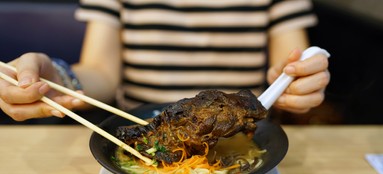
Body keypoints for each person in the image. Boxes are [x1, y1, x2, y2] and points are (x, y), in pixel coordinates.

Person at [0, 0, 330, 122]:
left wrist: (292, 81)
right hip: (138, 129)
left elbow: (290, 64)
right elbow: (100, 71)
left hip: (245, 133)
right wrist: (57, 78)